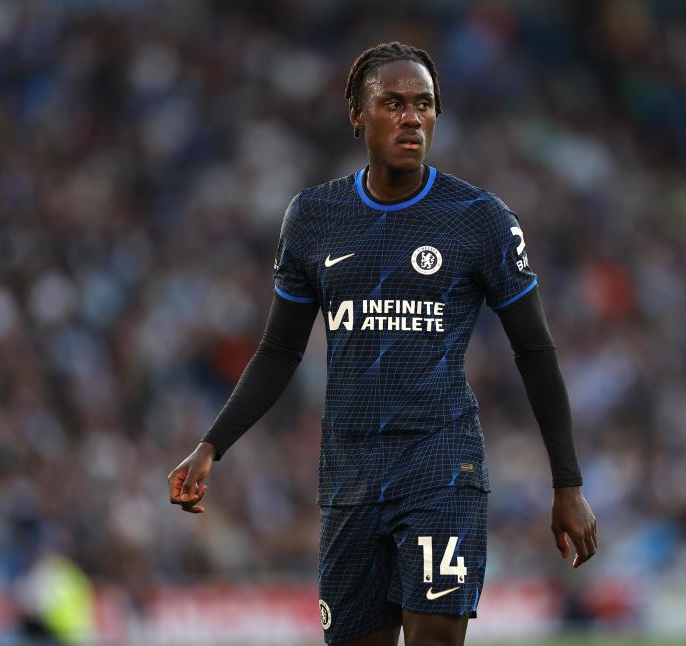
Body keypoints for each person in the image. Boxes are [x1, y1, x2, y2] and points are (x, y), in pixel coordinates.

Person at [167, 41, 597, 646]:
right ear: (357, 113)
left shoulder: (479, 218)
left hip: (442, 465)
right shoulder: (314, 218)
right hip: (350, 472)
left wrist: (567, 483)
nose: (411, 117)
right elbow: (279, 352)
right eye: (392, 103)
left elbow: (536, 351)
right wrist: (213, 444)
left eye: (423, 104)